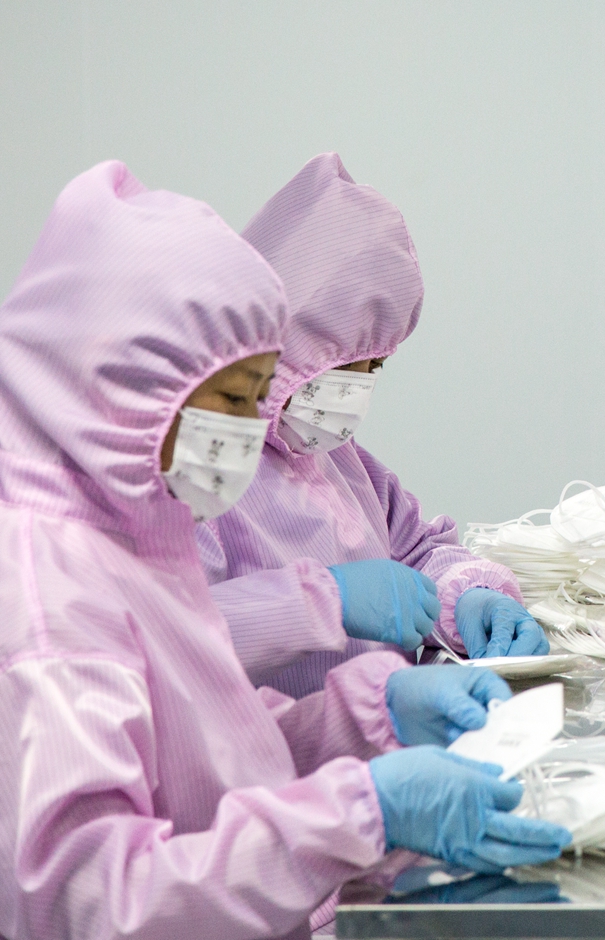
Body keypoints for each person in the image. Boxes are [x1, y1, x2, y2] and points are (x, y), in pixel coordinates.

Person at [0, 163, 568, 940]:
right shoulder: (39, 621)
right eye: (234, 400)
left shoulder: (124, 545)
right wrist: (360, 812)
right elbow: (102, 905)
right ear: (121, 381)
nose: (249, 430)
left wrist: (370, 716)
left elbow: (204, 755)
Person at [199, 154, 542, 696]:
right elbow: (174, 640)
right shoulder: (203, 476)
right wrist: (317, 601)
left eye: (375, 365)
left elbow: (416, 549)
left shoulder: (337, 460)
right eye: (344, 363)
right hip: (281, 746)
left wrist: (468, 595)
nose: (358, 387)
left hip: (382, 731)